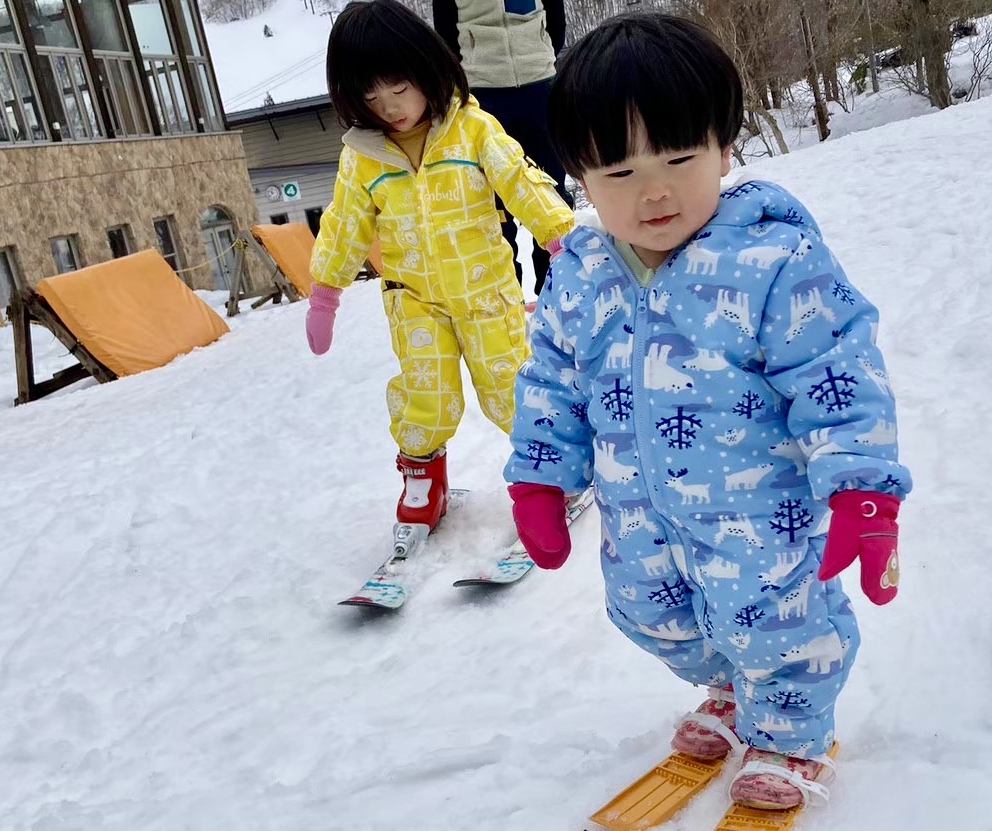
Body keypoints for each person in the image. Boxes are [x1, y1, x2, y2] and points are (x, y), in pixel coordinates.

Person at [502, 12, 913, 811]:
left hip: (758, 516)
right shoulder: (581, 273)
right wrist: (539, 480)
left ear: (725, 150)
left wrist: (863, 489)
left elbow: (837, 373)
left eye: (679, 158)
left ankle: (790, 729)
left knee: (775, 621)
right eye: (617, 173)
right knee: (651, 614)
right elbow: (550, 379)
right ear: (578, 179)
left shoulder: (771, 259)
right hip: (640, 518)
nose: (652, 190)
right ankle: (728, 690)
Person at [307, 0, 575, 530]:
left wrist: (559, 238)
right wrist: (326, 293)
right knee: (426, 394)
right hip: (415, 298)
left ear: (428, 68)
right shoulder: (363, 157)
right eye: (371, 96)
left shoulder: (473, 129)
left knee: (508, 388)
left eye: (399, 88)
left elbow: (522, 180)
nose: (390, 107)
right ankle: (423, 473)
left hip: (485, 290)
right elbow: (345, 223)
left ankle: (545, 472)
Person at [433, 0, 573, 296]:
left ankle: (557, 286)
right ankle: (506, 292)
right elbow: (444, 34)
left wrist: (539, 54)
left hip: (540, 86)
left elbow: (556, 23)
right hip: (484, 93)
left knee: (551, 190)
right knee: (494, 202)